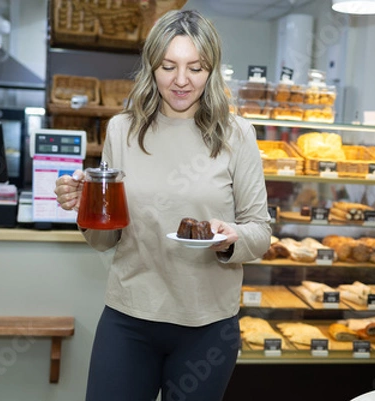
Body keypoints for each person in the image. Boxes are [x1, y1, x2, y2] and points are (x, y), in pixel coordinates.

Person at [54, 9, 271, 401]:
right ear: (151, 66)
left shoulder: (238, 135)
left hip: (208, 328)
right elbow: (106, 240)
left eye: (196, 67)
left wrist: (231, 237)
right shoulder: (123, 129)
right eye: (169, 66)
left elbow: (260, 230)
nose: (182, 80)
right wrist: (85, 208)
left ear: (213, 69)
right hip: (129, 319)